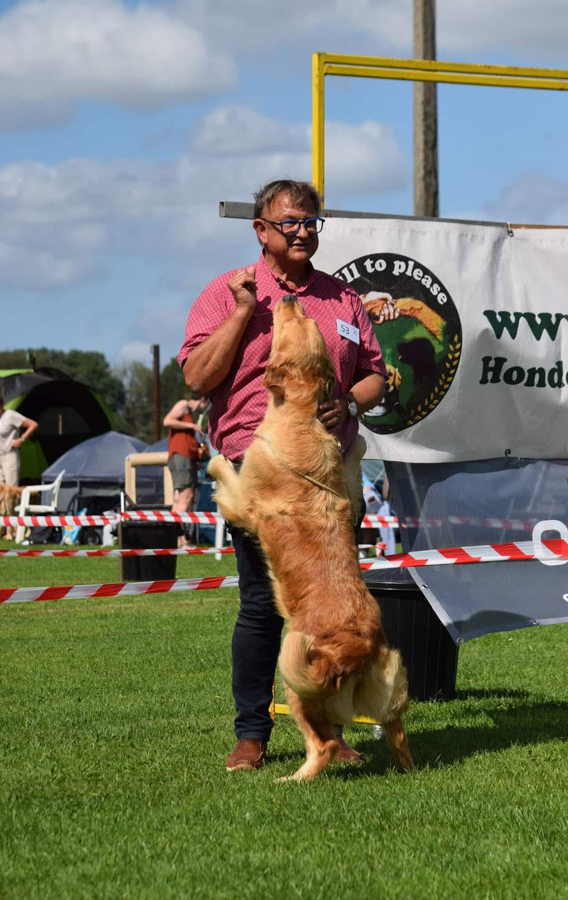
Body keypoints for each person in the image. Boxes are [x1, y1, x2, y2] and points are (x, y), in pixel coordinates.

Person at [178, 179, 386, 772]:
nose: (303, 231)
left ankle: (330, 731)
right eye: (290, 221)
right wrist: (245, 312)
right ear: (262, 231)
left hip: (330, 476)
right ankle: (252, 732)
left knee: (333, 611)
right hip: (260, 464)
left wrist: (347, 402)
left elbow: (376, 375)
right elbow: (197, 377)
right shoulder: (228, 291)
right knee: (262, 606)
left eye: (311, 220)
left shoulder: (344, 299)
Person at [163, 395, 209, 548]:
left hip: (185, 458)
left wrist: (198, 457)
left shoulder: (190, 415)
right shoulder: (183, 404)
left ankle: (176, 539)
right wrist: (193, 427)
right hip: (181, 457)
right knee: (185, 497)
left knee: (178, 500)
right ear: (203, 400)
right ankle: (180, 539)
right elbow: (167, 421)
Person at [0, 392, 38, 486]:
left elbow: (33, 424)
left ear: (1, 407)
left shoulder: (10, 415)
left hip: (9, 457)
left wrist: (21, 439)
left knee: (10, 491)